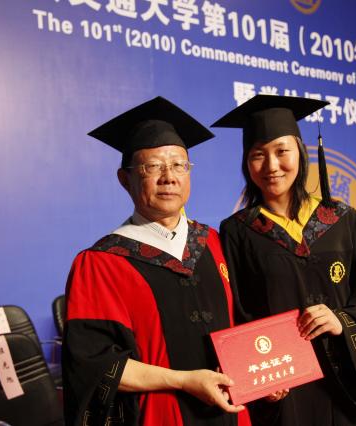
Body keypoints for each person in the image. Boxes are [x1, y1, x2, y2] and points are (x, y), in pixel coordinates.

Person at [62, 96, 251, 426]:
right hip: (161, 416)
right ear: (125, 179)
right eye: (153, 167)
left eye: (179, 165)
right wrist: (182, 380)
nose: (169, 177)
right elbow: (93, 366)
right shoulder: (102, 263)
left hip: (233, 412)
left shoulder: (213, 243)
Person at [213, 95, 356, 425]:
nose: (271, 166)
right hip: (286, 389)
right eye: (258, 155)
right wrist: (258, 377)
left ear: (300, 152)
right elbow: (236, 312)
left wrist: (342, 321)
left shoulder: (343, 221)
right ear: (246, 163)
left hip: (346, 382)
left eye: (282, 151)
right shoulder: (237, 232)